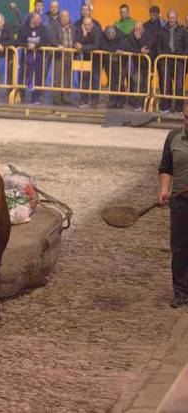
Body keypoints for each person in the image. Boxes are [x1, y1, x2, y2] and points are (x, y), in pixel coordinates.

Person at [157, 105, 188, 308]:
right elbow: (166, 166)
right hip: (180, 201)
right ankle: (180, 292)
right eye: (187, 117)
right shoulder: (174, 137)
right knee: (179, 248)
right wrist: (164, 189)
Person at [156, 10, 186, 114]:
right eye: (170, 18)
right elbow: (158, 45)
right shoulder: (162, 30)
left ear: (176, 18)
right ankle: (165, 107)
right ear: (167, 18)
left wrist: (182, 56)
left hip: (179, 61)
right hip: (166, 61)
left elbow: (187, 45)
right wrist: (162, 56)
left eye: (173, 18)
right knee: (166, 84)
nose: (172, 20)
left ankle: (178, 108)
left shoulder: (182, 30)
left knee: (179, 85)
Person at [122, 21, 154, 111]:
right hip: (137, 65)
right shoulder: (132, 35)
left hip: (148, 64)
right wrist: (139, 50)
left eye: (139, 29)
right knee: (137, 83)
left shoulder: (149, 35)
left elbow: (147, 47)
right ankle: (137, 104)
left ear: (143, 29)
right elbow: (127, 47)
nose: (137, 31)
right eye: (135, 29)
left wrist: (139, 40)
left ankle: (146, 104)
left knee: (146, 85)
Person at [18, 13, 49, 104]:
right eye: (37, 18)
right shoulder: (23, 28)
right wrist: (27, 45)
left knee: (38, 77)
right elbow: (18, 41)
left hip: (39, 57)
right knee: (23, 76)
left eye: (40, 18)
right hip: (26, 58)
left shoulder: (42, 28)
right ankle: (21, 95)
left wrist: (35, 45)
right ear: (32, 19)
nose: (40, 20)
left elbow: (45, 41)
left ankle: (36, 98)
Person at [48, 10, 75, 105]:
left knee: (68, 78)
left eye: (67, 16)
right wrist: (58, 45)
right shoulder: (56, 27)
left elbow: (75, 39)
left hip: (70, 55)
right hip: (59, 55)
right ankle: (57, 98)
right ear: (60, 17)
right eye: (63, 16)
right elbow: (51, 38)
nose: (65, 18)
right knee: (57, 78)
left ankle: (66, 98)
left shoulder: (73, 27)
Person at [75, 16, 101, 108]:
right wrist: (84, 34)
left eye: (89, 25)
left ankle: (94, 101)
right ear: (83, 25)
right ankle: (83, 100)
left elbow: (96, 45)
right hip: (85, 59)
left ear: (92, 24)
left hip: (96, 60)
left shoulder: (97, 31)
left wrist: (83, 47)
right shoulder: (80, 31)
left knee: (95, 80)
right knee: (84, 80)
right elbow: (77, 43)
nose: (87, 27)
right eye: (85, 25)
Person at [100, 25, 126, 108]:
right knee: (111, 81)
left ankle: (121, 101)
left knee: (120, 81)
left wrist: (111, 49)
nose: (111, 40)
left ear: (115, 33)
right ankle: (112, 100)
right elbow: (103, 46)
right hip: (108, 62)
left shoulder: (121, 34)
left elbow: (123, 47)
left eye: (113, 37)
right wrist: (115, 50)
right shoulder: (103, 35)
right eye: (109, 38)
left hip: (120, 62)